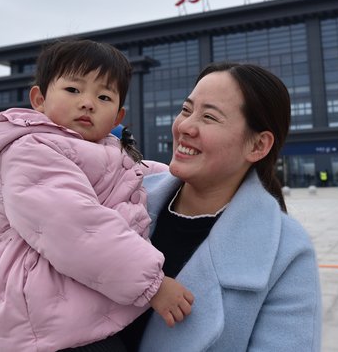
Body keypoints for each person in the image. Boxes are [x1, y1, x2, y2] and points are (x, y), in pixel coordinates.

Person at [0, 39, 193, 352]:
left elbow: (141, 172)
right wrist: (152, 285)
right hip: (47, 319)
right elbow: (76, 226)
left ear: (118, 117)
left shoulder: (105, 150)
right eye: (73, 90)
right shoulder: (29, 150)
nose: (88, 103)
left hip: (79, 308)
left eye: (103, 96)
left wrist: (190, 174)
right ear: (39, 99)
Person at [119, 62, 322, 351]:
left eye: (209, 117)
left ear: (258, 146)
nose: (185, 126)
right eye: (186, 110)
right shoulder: (125, 195)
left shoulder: (287, 251)